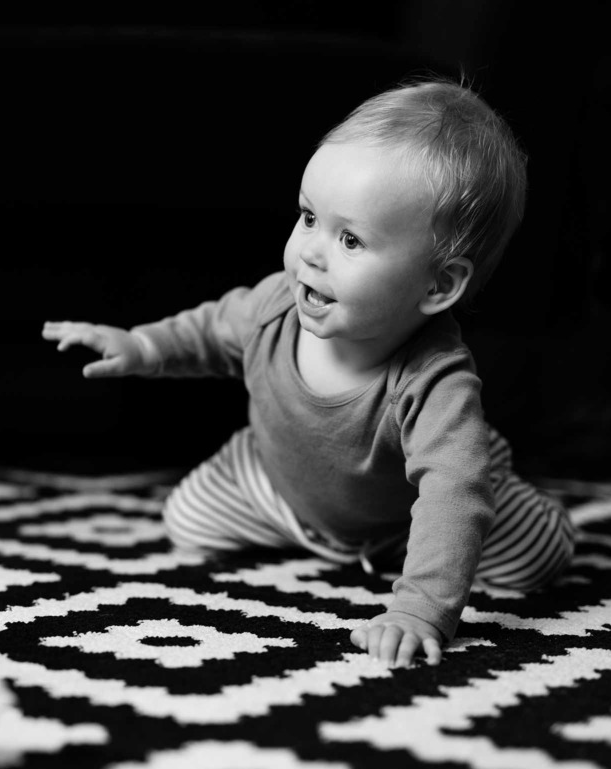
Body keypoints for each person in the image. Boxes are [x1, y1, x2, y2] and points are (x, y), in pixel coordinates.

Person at [41, 76, 575, 669]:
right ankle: (300, 500)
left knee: (532, 557)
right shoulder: (275, 307)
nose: (312, 252)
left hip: (407, 509)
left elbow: (448, 492)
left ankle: (483, 477)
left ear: (439, 284)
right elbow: (208, 331)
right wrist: (142, 346)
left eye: (350, 238)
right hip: (283, 482)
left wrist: (421, 606)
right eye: (308, 217)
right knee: (187, 519)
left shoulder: (433, 382)